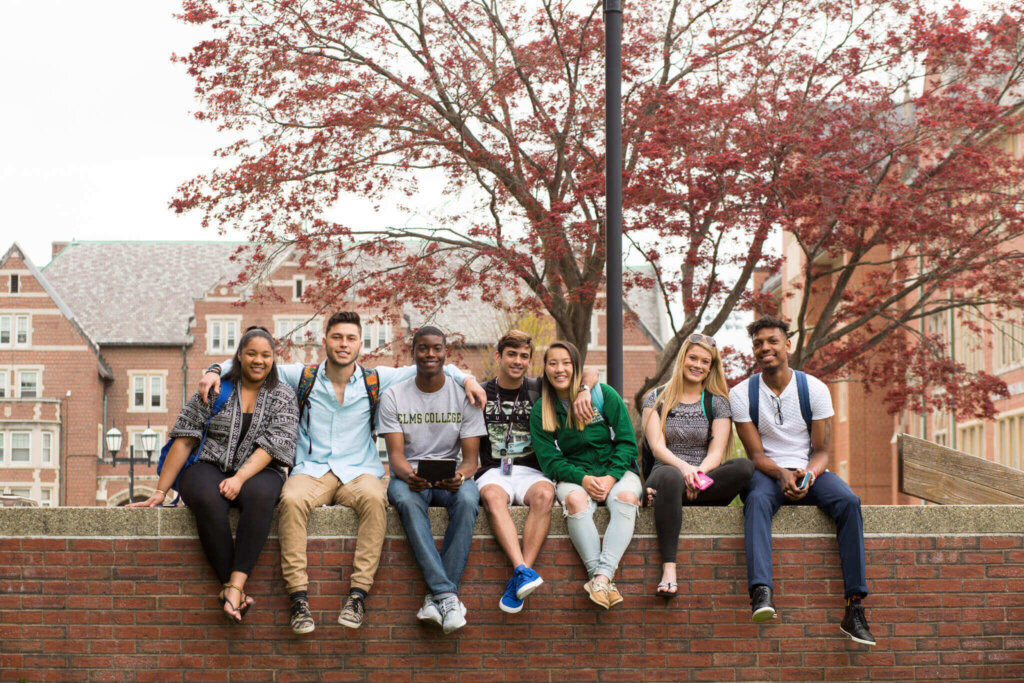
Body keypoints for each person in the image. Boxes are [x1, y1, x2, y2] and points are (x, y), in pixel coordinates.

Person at [198, 311, 485, 634]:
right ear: (325, 341)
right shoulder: (302, 376)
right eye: (337, 337)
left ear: (361, 344)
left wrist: (468, 379)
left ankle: (357, 595)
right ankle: (299, 598)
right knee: (290, 500)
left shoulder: (376, 379)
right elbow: (255, 360)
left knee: (377, 501)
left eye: (350, 338)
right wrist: (213, 371)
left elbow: (433, 363)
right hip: (312, 470)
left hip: (360, 472)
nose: (343, 344)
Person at [130, 326, 299, 624]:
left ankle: (232, 587)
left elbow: (275, 445)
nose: (258, 360)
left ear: (274, 358)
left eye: (265, 355)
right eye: (251, 354)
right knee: (206, 498)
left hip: (261, 468)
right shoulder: (216, 388)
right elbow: (185, 438)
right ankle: (233, 589)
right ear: (239, 357)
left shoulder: (282, 395)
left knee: (262, 497)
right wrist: (159, 492)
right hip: (209, 463)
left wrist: (239, 479)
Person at [730, 315, 875, 645]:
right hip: (768, 473)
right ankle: (761, 594)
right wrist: (780, 474)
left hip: (810, 470)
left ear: (788, 346)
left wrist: (807, 475)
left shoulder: (815, 389)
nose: (765, 348)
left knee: (849, 502)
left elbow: (823, 451)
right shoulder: (741, 394)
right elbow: (755, 456)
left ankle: (854, 608)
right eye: (758, 343)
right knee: (755, 502)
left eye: (772, 341)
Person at [476, 330, 598, 613]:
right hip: (495, 470)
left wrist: (584, 391)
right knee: (493, 498)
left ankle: (521, 574)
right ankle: (522, 570)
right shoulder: (482, 391)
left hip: (531, 470)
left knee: (545, 495)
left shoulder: (539, 388)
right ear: (498, 356)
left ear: (530, 361)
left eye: (524, 356)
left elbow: (589, 372)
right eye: (511, 354)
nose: (518, 361)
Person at [380, 326, 487, 635]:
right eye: (423, 348)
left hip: (449, 476)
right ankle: (447, 595)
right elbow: (395, 456)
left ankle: (436, 596)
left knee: (469, 498)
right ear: (413, 352)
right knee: (403, 499)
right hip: (410, 477)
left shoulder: (464, 397)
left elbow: (470, 460)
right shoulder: (394, 396)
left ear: (445, 353)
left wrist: (461, 476)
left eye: (436, 348)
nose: (430, 354)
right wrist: (408, 475)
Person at [529, 341, 642, 610]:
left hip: (616, 471)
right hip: (574, 474)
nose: (560, 369)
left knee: (626, 497)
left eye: (566, 363)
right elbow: (549, 460)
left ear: (577, 366)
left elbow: (628, 442)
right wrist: (583, 479)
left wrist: (611, 477)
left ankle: (600, 578)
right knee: (576, 502)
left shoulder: (604, 395)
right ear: (545, 369)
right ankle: (601, 580)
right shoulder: (542, 410)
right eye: (552, 363)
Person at [642, 333, 754, 598]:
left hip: (703, 479)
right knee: (670, 477)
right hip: (665, 474)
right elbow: (658, 447)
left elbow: (716, 452)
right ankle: (669, 569)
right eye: (693, 358)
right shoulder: (655, 398)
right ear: (682, 359)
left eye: (706, 361)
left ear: (711, 367)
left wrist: (699, 474)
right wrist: (685, 471)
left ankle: (677, 497)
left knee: (744, 467)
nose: (698, 365)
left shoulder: (717, 402)